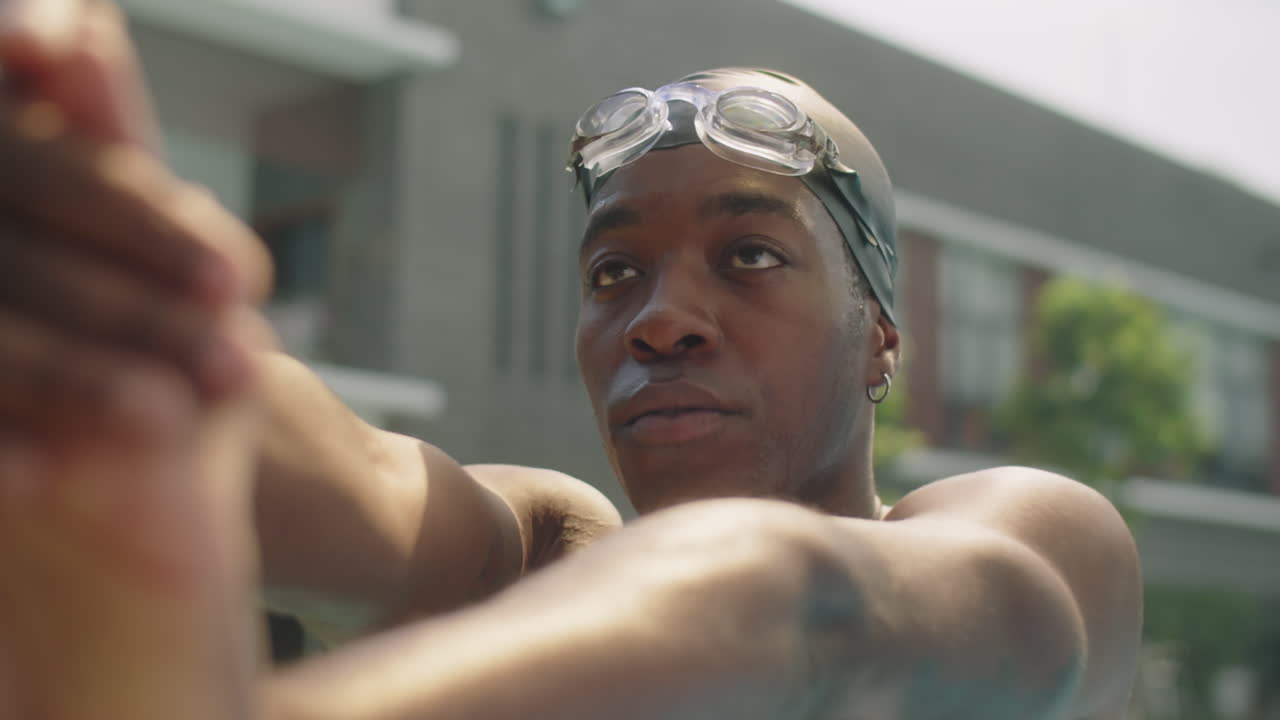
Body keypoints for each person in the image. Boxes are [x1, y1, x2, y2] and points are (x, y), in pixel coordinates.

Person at [0, 2, 1142, 718]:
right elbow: (344, 475)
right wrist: (126, 344)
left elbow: (788, 607)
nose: (658, 319)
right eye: (612, 275)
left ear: (879, 339)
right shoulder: (547, 557)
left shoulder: (1033, 536)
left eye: (747, 254)